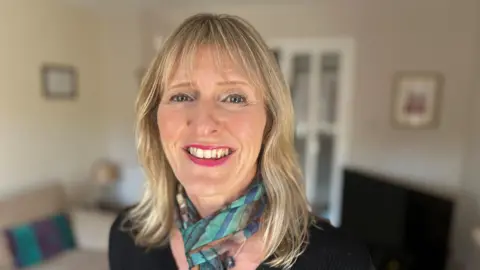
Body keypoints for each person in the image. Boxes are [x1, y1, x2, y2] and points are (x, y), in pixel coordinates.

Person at [109, 13, 373, 270]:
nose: (203, 123)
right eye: (181, 96)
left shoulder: (337, 259)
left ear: (270, 121)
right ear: (154, 118)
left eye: (234, 98)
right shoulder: (128, 238)